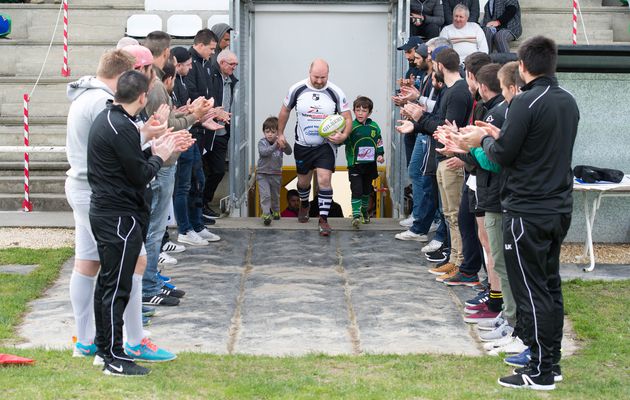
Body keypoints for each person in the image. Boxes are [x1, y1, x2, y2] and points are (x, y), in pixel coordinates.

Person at [460, 36, 579, 390]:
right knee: (550, 286)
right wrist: (499, 134)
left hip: (528, 209)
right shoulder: (567, 100)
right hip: (558, 207)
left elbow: (502, 156)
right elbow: (532, 146)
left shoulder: (526, 101)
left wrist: (479, 141)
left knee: (532, 291)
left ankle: (541, 370)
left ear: (523, 67)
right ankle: (550, 362)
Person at [65, 49, 174, 364]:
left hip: (83, 186)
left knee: (87, 263)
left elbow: (113, 140)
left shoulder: (85, 95)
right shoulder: (102, 102)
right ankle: (133, 340)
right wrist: (156, 147)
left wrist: (146, 133)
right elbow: (117, 148)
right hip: (101, 193)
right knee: (133, 262)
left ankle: (85, 341)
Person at [88, 70, 193, 376]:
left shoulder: (112, 119)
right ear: (143, 97)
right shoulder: (119, 126)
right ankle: (112, 357)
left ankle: (104, 349)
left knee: (109, 284)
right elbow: (141, 174)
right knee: (116, 288)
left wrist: (149, 136)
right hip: (119, 217)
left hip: (112, 213)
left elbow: (129, 154)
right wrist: (161, 154)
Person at [396, 47, 473, 282]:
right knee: (449, 214)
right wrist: (417, 124)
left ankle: (460, 262)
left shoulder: (458, 92)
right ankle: (453, 259)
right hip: (443, 157)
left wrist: (420, 118)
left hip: (452, 160)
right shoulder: (449, 89)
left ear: (439, 65)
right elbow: (438, 121)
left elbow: (444, 127)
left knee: (453, 214)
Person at [276, 58, 352, 236]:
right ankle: (304, 203)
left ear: (328, 74)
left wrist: (344, 134)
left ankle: (323, 219)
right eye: (316, 77)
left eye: (323, 77)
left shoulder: (335, 91)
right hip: (303, 145)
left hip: (325, 145)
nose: (319, 81)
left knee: (324, 180)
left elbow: (347, 117)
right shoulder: (297, 89)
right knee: (303, 182)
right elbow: (284, 111)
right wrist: (280, 134)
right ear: (309, 73)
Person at [202, 49, 239, 219]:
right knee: (201, 172)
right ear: (222, 63)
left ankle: (204, 201)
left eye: (236, 64)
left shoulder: (230, 80)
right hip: (206, 131)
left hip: (222, 133)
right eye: (232, 64)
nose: (234, 68)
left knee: (217, 170)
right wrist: (215, 113)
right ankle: (200, 205)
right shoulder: (210, 76)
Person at [344, 96, 384, 228]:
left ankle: (364, 212)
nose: (360, 113)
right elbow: (343, 140)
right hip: (355, 165)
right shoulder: (351, 126)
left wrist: (380, 155)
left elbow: (379, 141)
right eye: (357, 110)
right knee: (356, 190)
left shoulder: (374, 127)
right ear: (354, 111)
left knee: (367, 190)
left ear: (370, 112)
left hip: (370, 165)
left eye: (364, 110)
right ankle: (356, 216)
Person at [257, 116, 292, 225]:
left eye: (273, 132)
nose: (270, 134)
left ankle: (276, 211)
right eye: (267, 131)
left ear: (278, 132)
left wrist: (284, 143)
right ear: (264, 132)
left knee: (275, 195)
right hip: (262, 174)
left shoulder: (280, 142)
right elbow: (264, 152)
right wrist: (275, 146)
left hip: (276, 174)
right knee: (265, 195)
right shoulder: (262, 142)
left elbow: (289, 152)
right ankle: (266, 213)